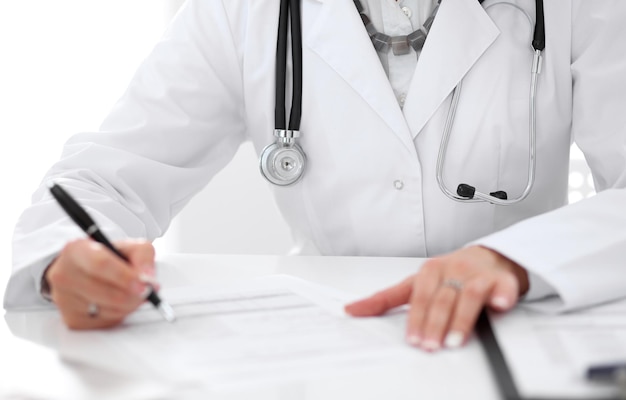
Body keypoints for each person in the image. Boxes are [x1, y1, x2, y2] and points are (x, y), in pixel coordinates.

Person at [5, 0, 626, 353]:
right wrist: (68, 259)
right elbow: (98, 181)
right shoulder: (239, 11)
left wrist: (515, 259)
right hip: (325, 347)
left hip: (517, 330)